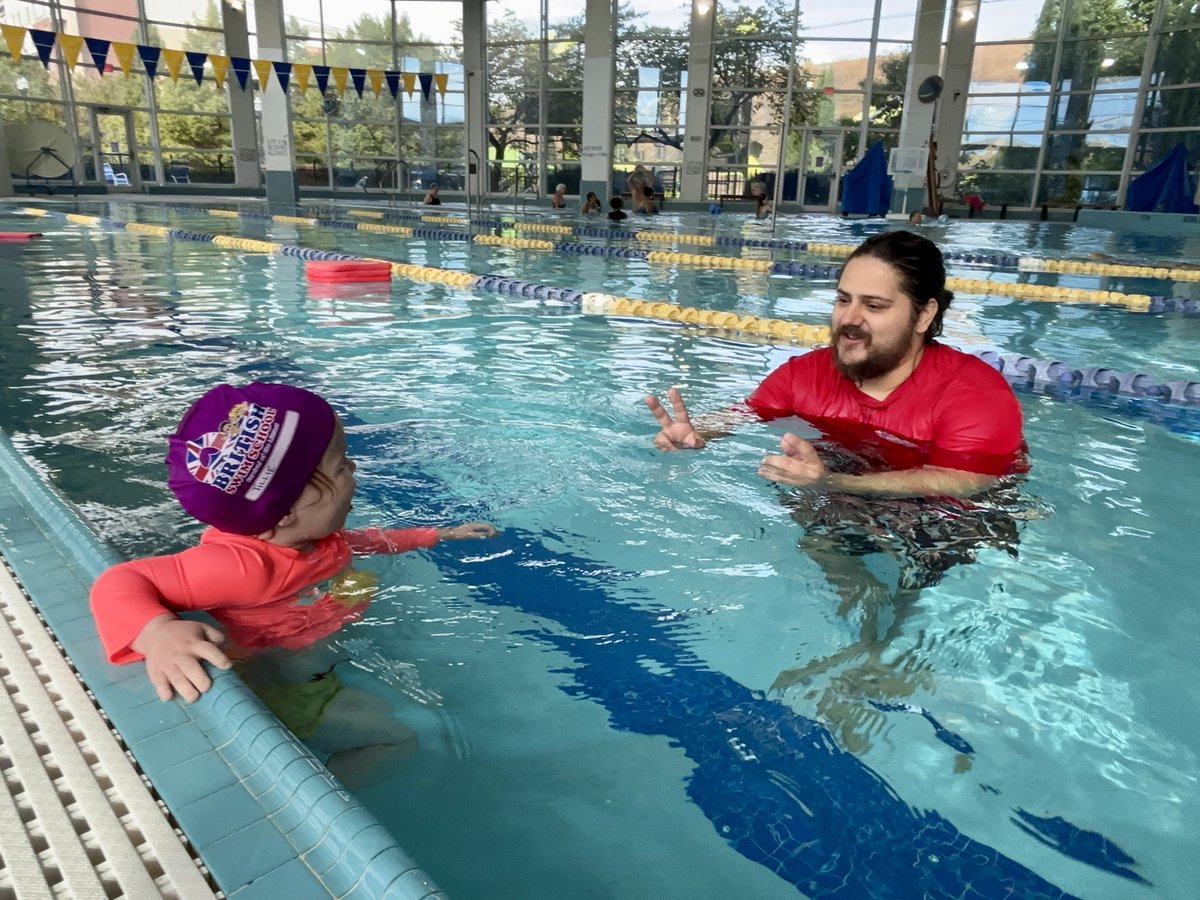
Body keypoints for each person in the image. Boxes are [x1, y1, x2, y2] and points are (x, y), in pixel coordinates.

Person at [646, 230, 1030, 751]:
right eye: (843, 299)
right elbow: (746, 412)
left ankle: (886, 665)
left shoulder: (975, 391)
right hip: (853, 486)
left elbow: (967, 482)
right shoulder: (808, 373)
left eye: (873, 305)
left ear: (923, 315)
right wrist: (698, 434)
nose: (849, 318)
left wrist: (834, 480)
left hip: (957, 508)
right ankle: (859, 604)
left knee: (928, 552)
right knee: (808, 504)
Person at [89, 382, 498, 703]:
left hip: (322, 617)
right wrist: (159, 634)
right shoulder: (240, 567)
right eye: (339, 466)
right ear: (284, 511)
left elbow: (361, 542)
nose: (353, 467)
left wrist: (437, 535)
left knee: (360, 580)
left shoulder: (312, 534)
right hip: (276, 659)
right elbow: (119, 581)